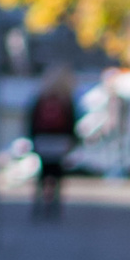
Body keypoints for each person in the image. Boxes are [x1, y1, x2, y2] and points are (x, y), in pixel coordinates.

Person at [27, 72, 77, 219]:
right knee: (57, 174)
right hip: (59, 140)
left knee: (43, 173)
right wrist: (72, 140)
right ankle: (54, 206)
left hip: (43, 139)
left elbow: (32, 119)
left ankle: (39, 205)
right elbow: (71, 121)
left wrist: (32, 139)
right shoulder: (65, 99)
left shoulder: (41, 97)